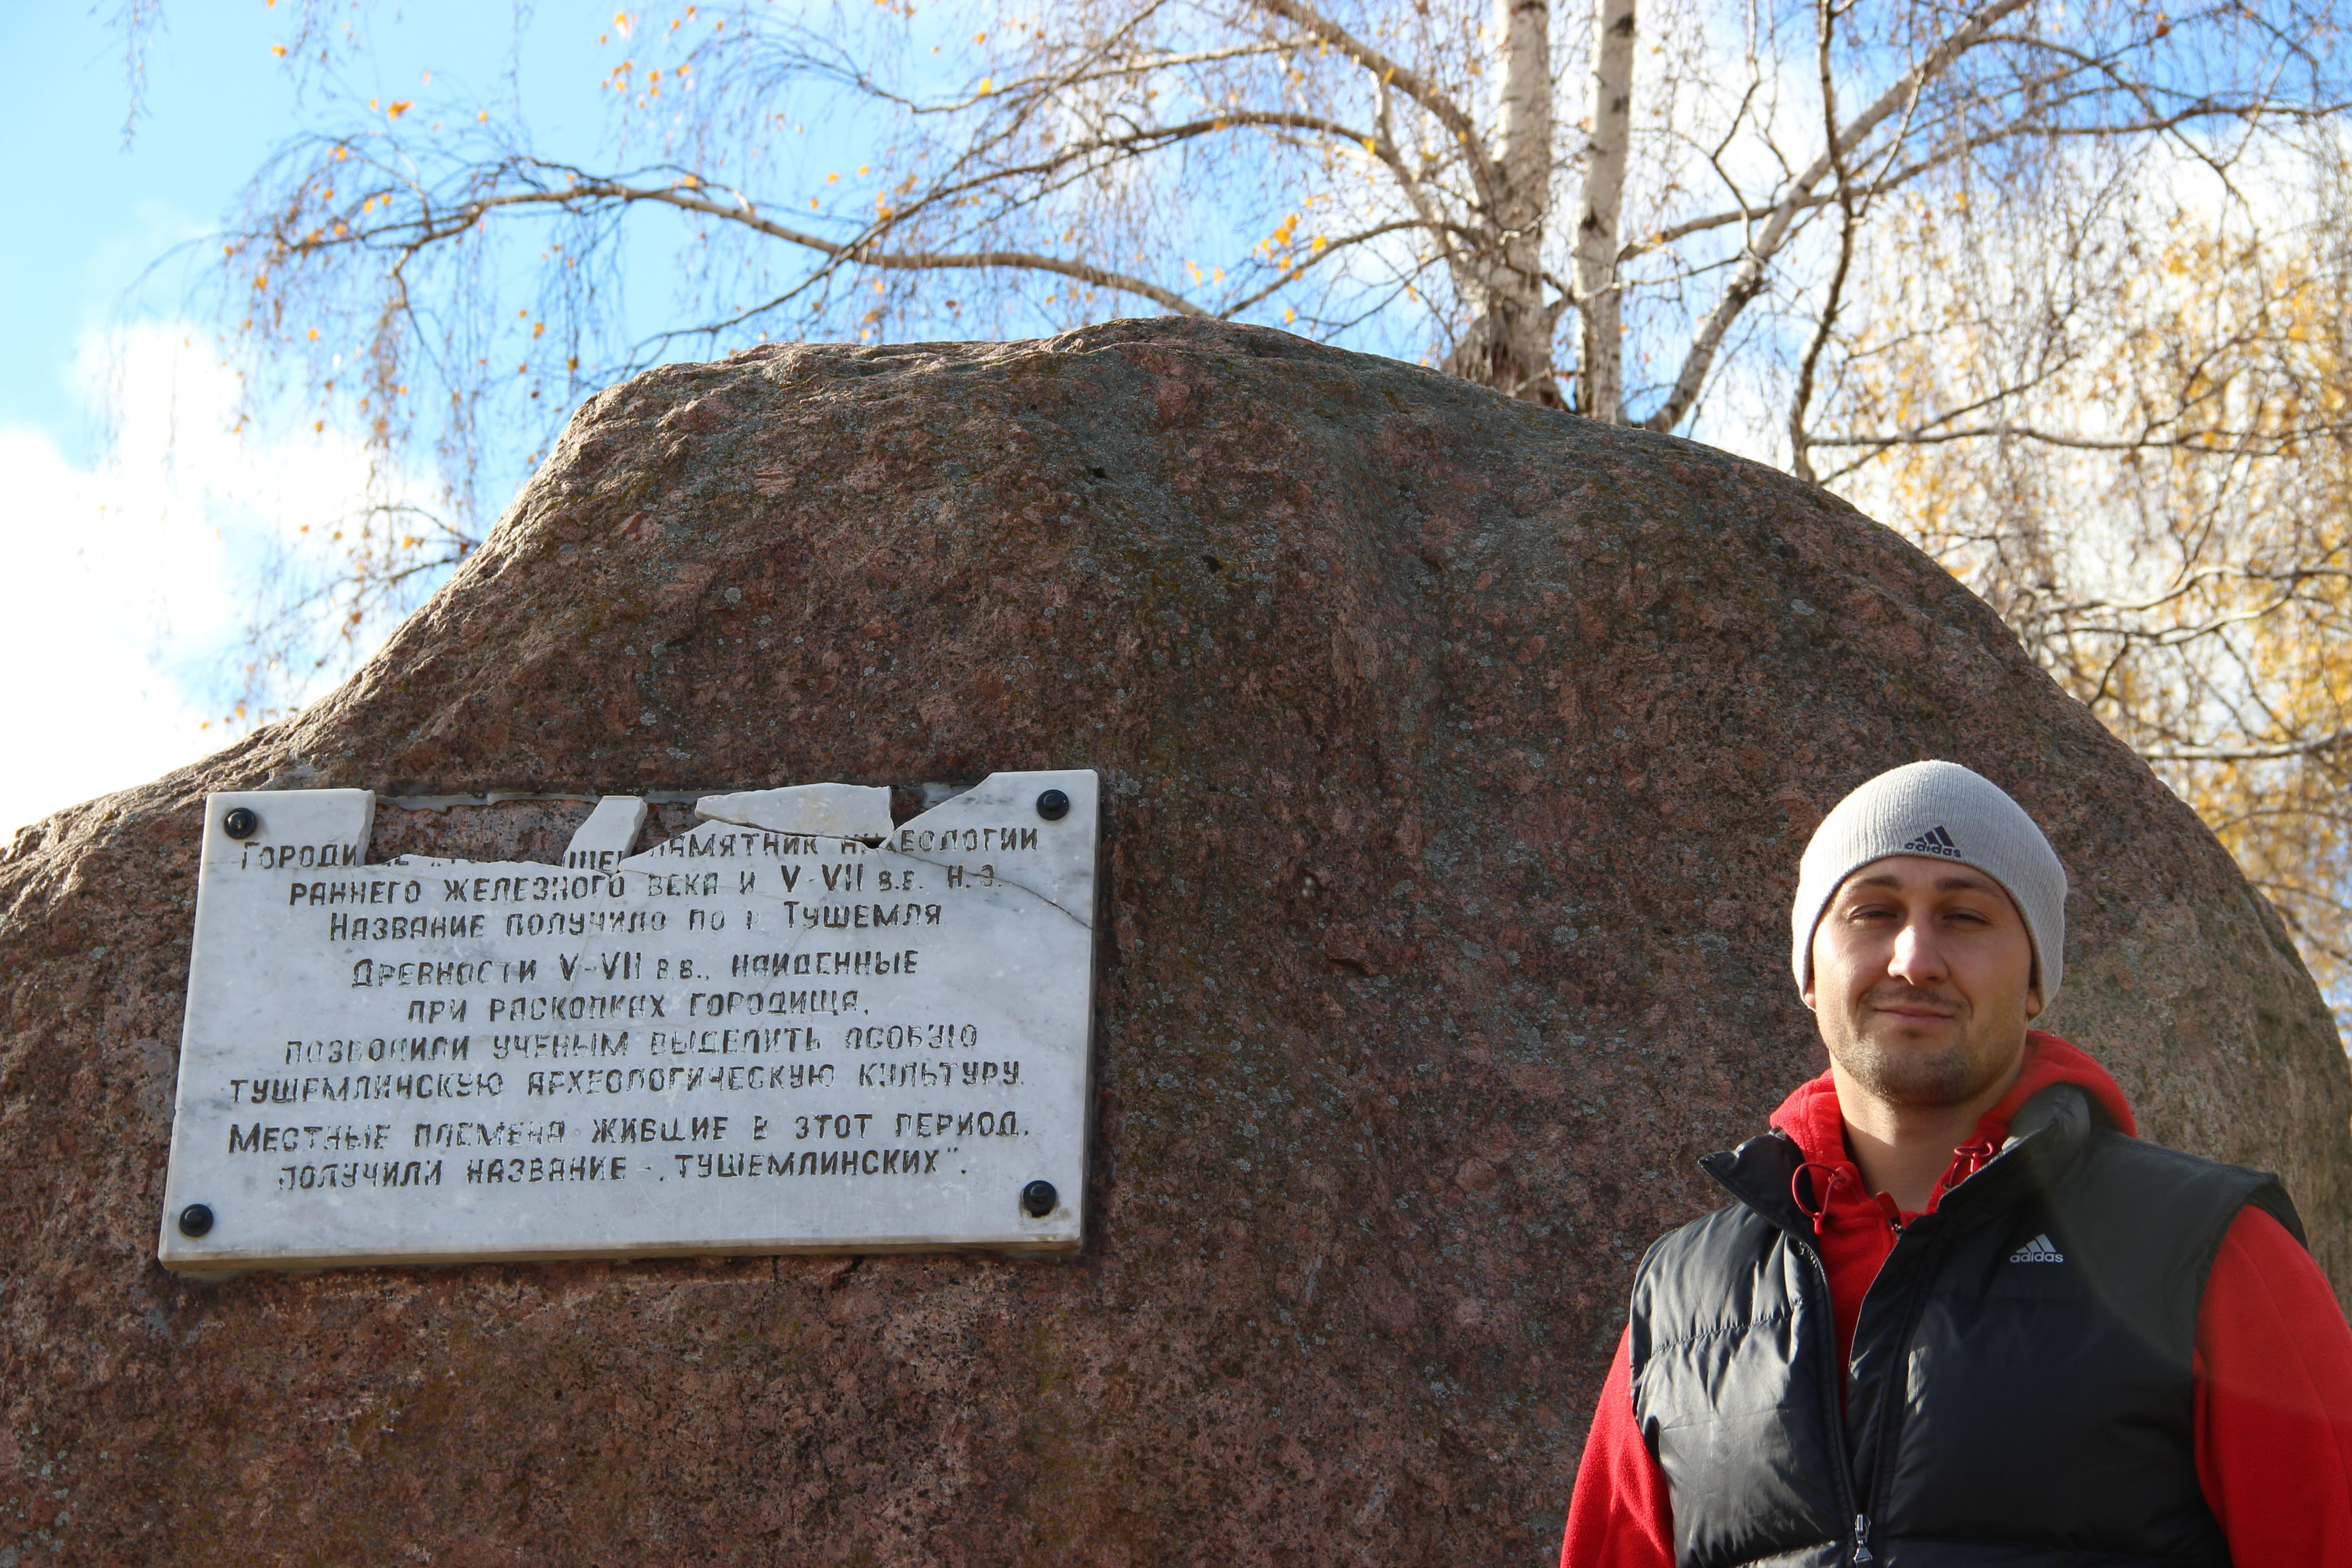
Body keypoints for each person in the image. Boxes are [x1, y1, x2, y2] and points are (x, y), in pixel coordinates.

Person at [1561, 760, 2352, 1567]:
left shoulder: (2207, 1248)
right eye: (1872, 911)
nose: (1914, 958)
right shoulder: (1682, 1299)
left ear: (2035, 978)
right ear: (1808, 971)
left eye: (1965, 916)